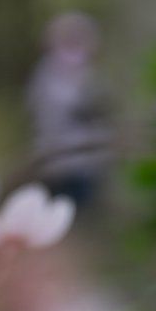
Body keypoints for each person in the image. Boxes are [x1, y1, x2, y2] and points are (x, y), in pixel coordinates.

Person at [27, 11, 115, 211]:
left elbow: (101, 105)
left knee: (84, 207)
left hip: (88, 159)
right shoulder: (46, 73)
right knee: (60, 207)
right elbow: (48, 108)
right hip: (58, 157)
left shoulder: (90, 73)